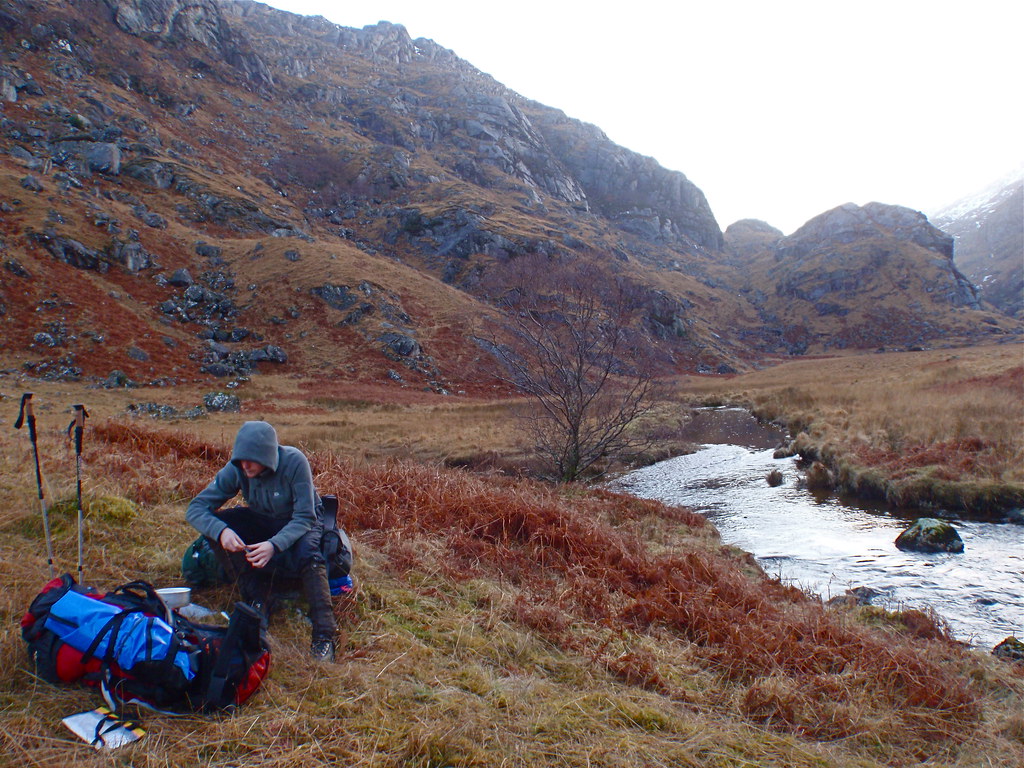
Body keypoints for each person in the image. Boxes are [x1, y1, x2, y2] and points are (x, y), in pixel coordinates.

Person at [186, 421, 337, 661]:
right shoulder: (238, 467)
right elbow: (196, 508)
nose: (245, 465)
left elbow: (305, 516)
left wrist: (273, 545)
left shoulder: (294, 462)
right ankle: (258, 597)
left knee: (309, 555)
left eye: (251, 460)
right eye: (241, 459)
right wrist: (221, 531)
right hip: (262, 518)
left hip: (300, 521)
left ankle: (324, 635)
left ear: (267, 457)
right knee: (219, 528)